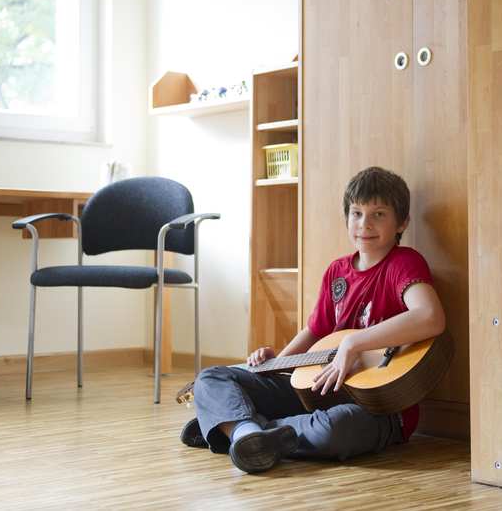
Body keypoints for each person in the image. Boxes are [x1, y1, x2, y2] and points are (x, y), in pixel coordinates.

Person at [180, 166, 446, 473]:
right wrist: (277, 362)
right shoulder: (337, 272)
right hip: (318, 392)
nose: (365, 224)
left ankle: (233, 426)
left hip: (379, 407)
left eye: (379, 214)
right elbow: (315, 330)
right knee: (211, 378)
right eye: (356, 213)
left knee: (338, 428)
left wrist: (354, 344)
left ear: (402, 222)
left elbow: (430, 316)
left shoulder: (404, 263)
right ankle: (246, 434)